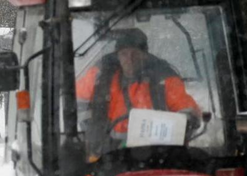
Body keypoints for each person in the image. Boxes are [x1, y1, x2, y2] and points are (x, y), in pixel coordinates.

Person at [76, 28, 202, 158]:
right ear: (117, 56)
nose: (129, 59)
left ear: (145, 55)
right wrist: (92, 130)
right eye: (124, 54)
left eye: (134, 54)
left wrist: (180, 126)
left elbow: (186, 109)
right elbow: (75, 100)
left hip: (157, 156)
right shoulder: (101, 77)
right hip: (108, 156)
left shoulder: (164, 79)